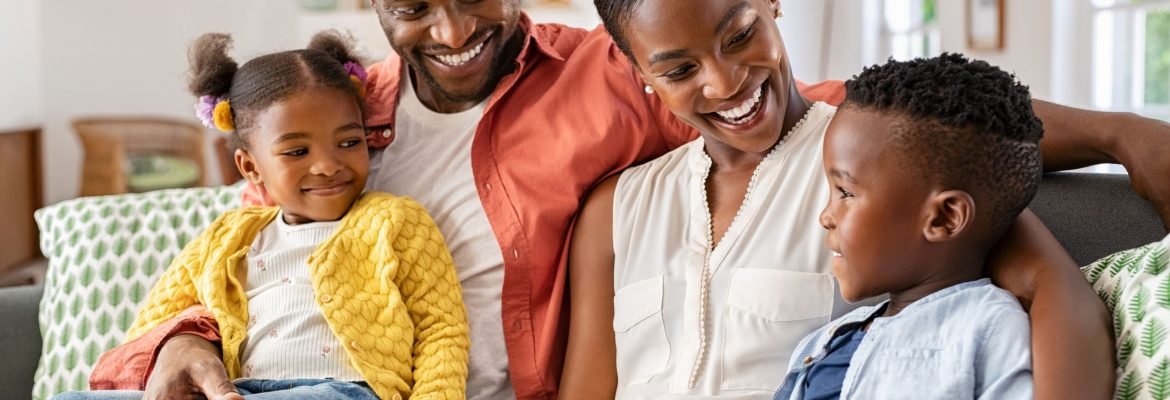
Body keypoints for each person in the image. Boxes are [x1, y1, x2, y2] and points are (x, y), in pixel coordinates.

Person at [113, 0, 1170, 399]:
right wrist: (175, 340)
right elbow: (243, 247)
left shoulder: (608, 86)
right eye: (412, 7)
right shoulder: (335, 115)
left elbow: (887, 127)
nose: (447, 28)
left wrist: (1121, 130)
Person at [562, 0, 1132, 399]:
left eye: (738, 35)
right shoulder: (615, 210)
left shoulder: (879, 166)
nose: (724, 80)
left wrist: (1126, 135)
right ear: (639, 73)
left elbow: (1058, 295)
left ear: (772, 2)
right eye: (680, 69)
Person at [61, 31, 469, 400]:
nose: (328, 165)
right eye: (296, 151)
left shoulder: (395, 221)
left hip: (341, 391)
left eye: (349, 141)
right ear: (251, 167)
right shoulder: (227, 237)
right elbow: (154, 327)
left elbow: (440, 331)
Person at [773, 53, 1039, 400]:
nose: (826, 215)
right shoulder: (823, 341)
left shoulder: (987, 327)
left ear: (944, 218)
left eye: (845, 192)